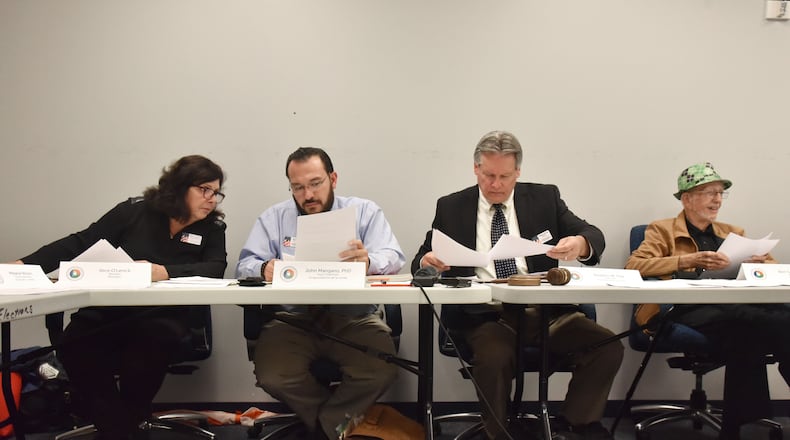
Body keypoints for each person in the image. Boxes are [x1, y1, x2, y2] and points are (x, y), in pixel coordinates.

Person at [412, 130, 623, 440]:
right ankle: (498, 434)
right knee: (493, 357)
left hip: (547, 312)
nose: (496, 184)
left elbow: (591, 234)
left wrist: (581, 244)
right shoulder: (452, 206)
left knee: (607, 347)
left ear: (518, 173)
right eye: (489, 175)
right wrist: (427, 261)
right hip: (489, 315)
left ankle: (575, 426)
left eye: (504, 176)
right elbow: (422, 258)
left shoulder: (544, 198)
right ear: (476, 169)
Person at [12, 155, 227, 439]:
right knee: (74, 344)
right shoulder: (134, 211)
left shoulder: (212, 228)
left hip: (161, 315)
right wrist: (23, 266)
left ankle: (120, 428)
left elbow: (215, 268)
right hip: (108, 312)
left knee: (151, 344)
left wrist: (164, 272)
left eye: (216, 192)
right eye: (204, 189)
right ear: (179, 187)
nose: (212, 199)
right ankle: (122, 428)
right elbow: (80, 242)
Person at [236, 147, 405, 440]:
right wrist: (264, 267)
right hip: (293, 319)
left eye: (315, 183)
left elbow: (393, 256)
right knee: (272, 376)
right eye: (298, 187)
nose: (308, 195)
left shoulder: (364, 211)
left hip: (354, 317)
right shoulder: (274, 218)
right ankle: (335, 426)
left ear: (333, 179)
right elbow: (244, 266)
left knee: (381, 371)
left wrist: (368, 262)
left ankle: (323, 427)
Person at [625, 162, 790, 440]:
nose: (717, 199)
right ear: (687, 198)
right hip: (684, 307)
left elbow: (773, 271)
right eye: (710, 192)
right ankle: (738, 423)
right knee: (761, 321)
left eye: (721, 193)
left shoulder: (732, 231)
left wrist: (759, 264)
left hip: (733, 306)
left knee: (757, 324)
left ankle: (733, 427)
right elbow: (634, 265)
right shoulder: (661, 230)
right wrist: (686, 260)